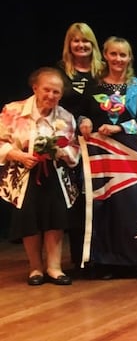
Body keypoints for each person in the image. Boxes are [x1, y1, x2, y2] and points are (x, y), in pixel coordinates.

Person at [0, 67, 81, 285]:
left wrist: (60, 152)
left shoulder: (66, 116)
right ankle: (35, 268)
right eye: (47, 90)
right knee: (30, 221)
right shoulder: (13, 111)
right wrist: (18, 155)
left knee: (55, 220)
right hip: (24, 175)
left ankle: (54, 268)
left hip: (55, 175)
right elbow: (1, 141)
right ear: (35, 88)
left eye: (56, 92)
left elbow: (75, 149)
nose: (51, 96)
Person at [55, 22, 103, 270]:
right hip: (68, 146)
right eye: (76, 40)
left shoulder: (102, 72)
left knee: (98, 198)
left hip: (97, 146)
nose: (81, 45)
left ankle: (99, 255)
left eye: (86, 41)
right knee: (74, 202)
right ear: (69, 44)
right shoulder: (60, 73)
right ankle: (77, 257)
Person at [77, 36, 137, 138]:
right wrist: (84, 121)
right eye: (113, 54)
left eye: (123, 55)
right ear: (105, 55)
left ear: (129, 58)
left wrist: (119, 128)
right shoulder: (93, 86)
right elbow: (80, 114)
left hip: (132, 150)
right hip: (99, 150)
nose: (118, 59)